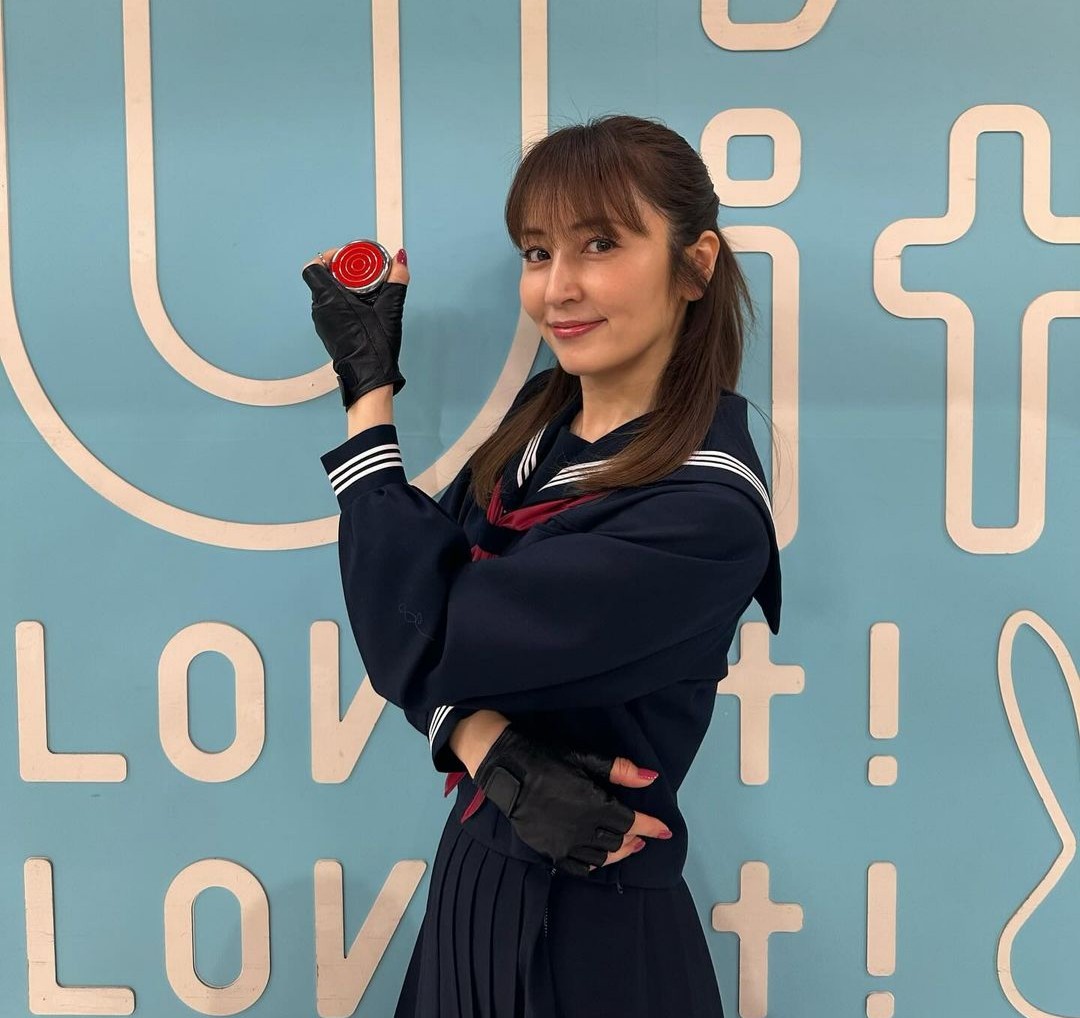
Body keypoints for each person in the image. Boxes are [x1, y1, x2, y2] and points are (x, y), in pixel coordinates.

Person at [301, 113, 782, 1018]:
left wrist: (369, 403)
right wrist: (488, 748)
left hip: (591, 924)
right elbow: (412, 617)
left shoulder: (704, 513)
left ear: (695, 264)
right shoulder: (541, 423)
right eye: (536, 251)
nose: (559, 288)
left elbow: (418, 635)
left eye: (601, 244)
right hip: (477, 880)